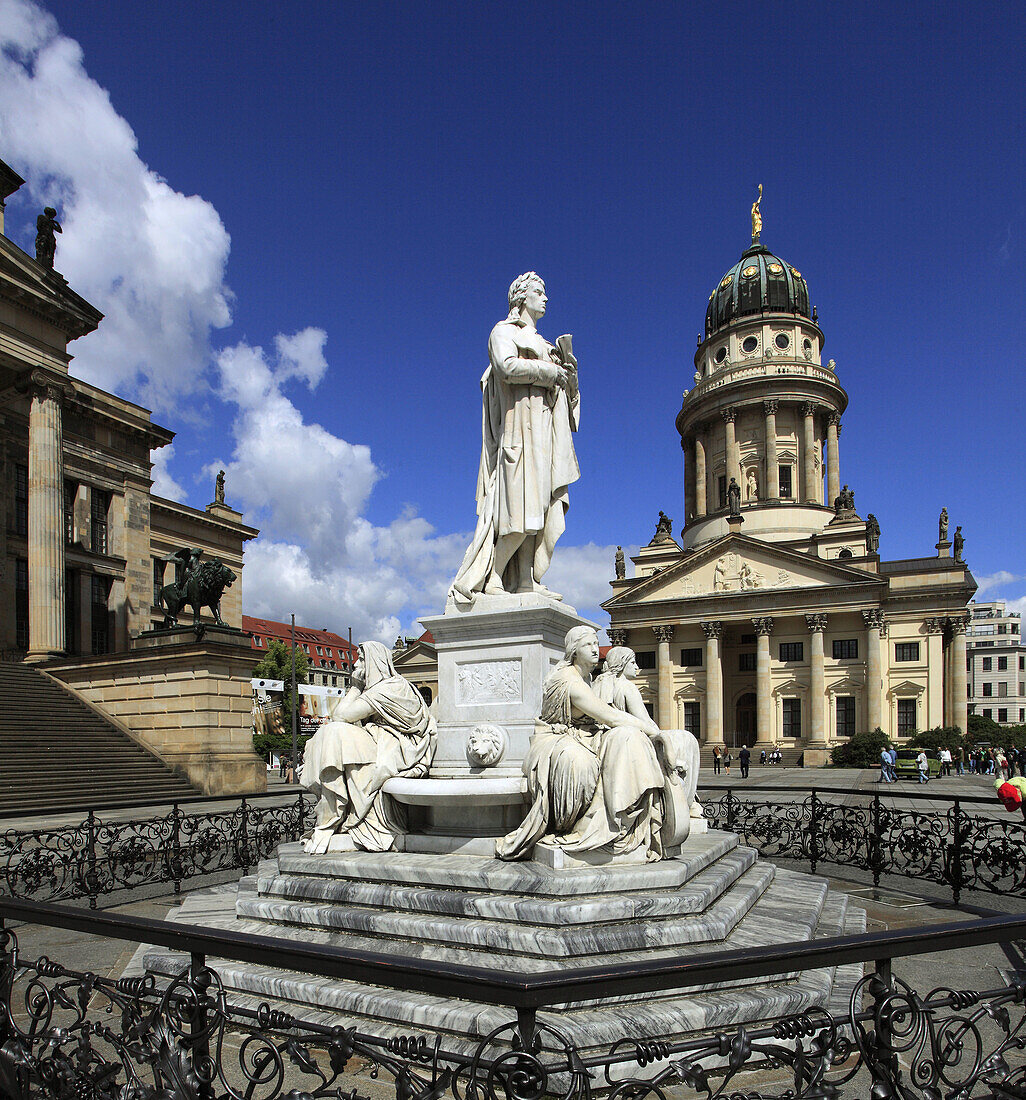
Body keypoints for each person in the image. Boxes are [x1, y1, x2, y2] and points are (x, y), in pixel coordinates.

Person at [496, 628, 692, 862]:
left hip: (585, 735)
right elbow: (611, 716)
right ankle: (593, 826)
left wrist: (649, 734)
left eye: (596, 643)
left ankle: (622, 823)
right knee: (586, 760)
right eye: (588, 644)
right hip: (555, 741)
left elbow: (609, 719)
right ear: (573, 650)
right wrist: (660, 735)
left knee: (628, 738)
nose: (594, 649)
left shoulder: (588, 678)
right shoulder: (568, 679)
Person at [450, 272, 580, 603]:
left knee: (540, 509)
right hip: (519, 433)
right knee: (520, 513)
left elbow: (567, 401)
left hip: (544, 433)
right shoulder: (503, 332)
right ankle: (493, 574)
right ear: (522, 298)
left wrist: (569, 376)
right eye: (540, 291)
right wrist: (551, 373)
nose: (546, 298)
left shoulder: (548, 345)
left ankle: (525, 580)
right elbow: (507, 367)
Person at [301, 641, 437, 854]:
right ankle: (334, 817)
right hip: (381, 741)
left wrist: (355, 686)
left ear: (375, 662)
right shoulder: (381, 688)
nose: (356, 664)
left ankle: (334, 819)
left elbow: (341, 716)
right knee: (330, 733)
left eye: (362, 659)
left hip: (399, 747)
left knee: (334, 732)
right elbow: (341, 719)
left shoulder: (391, 688)